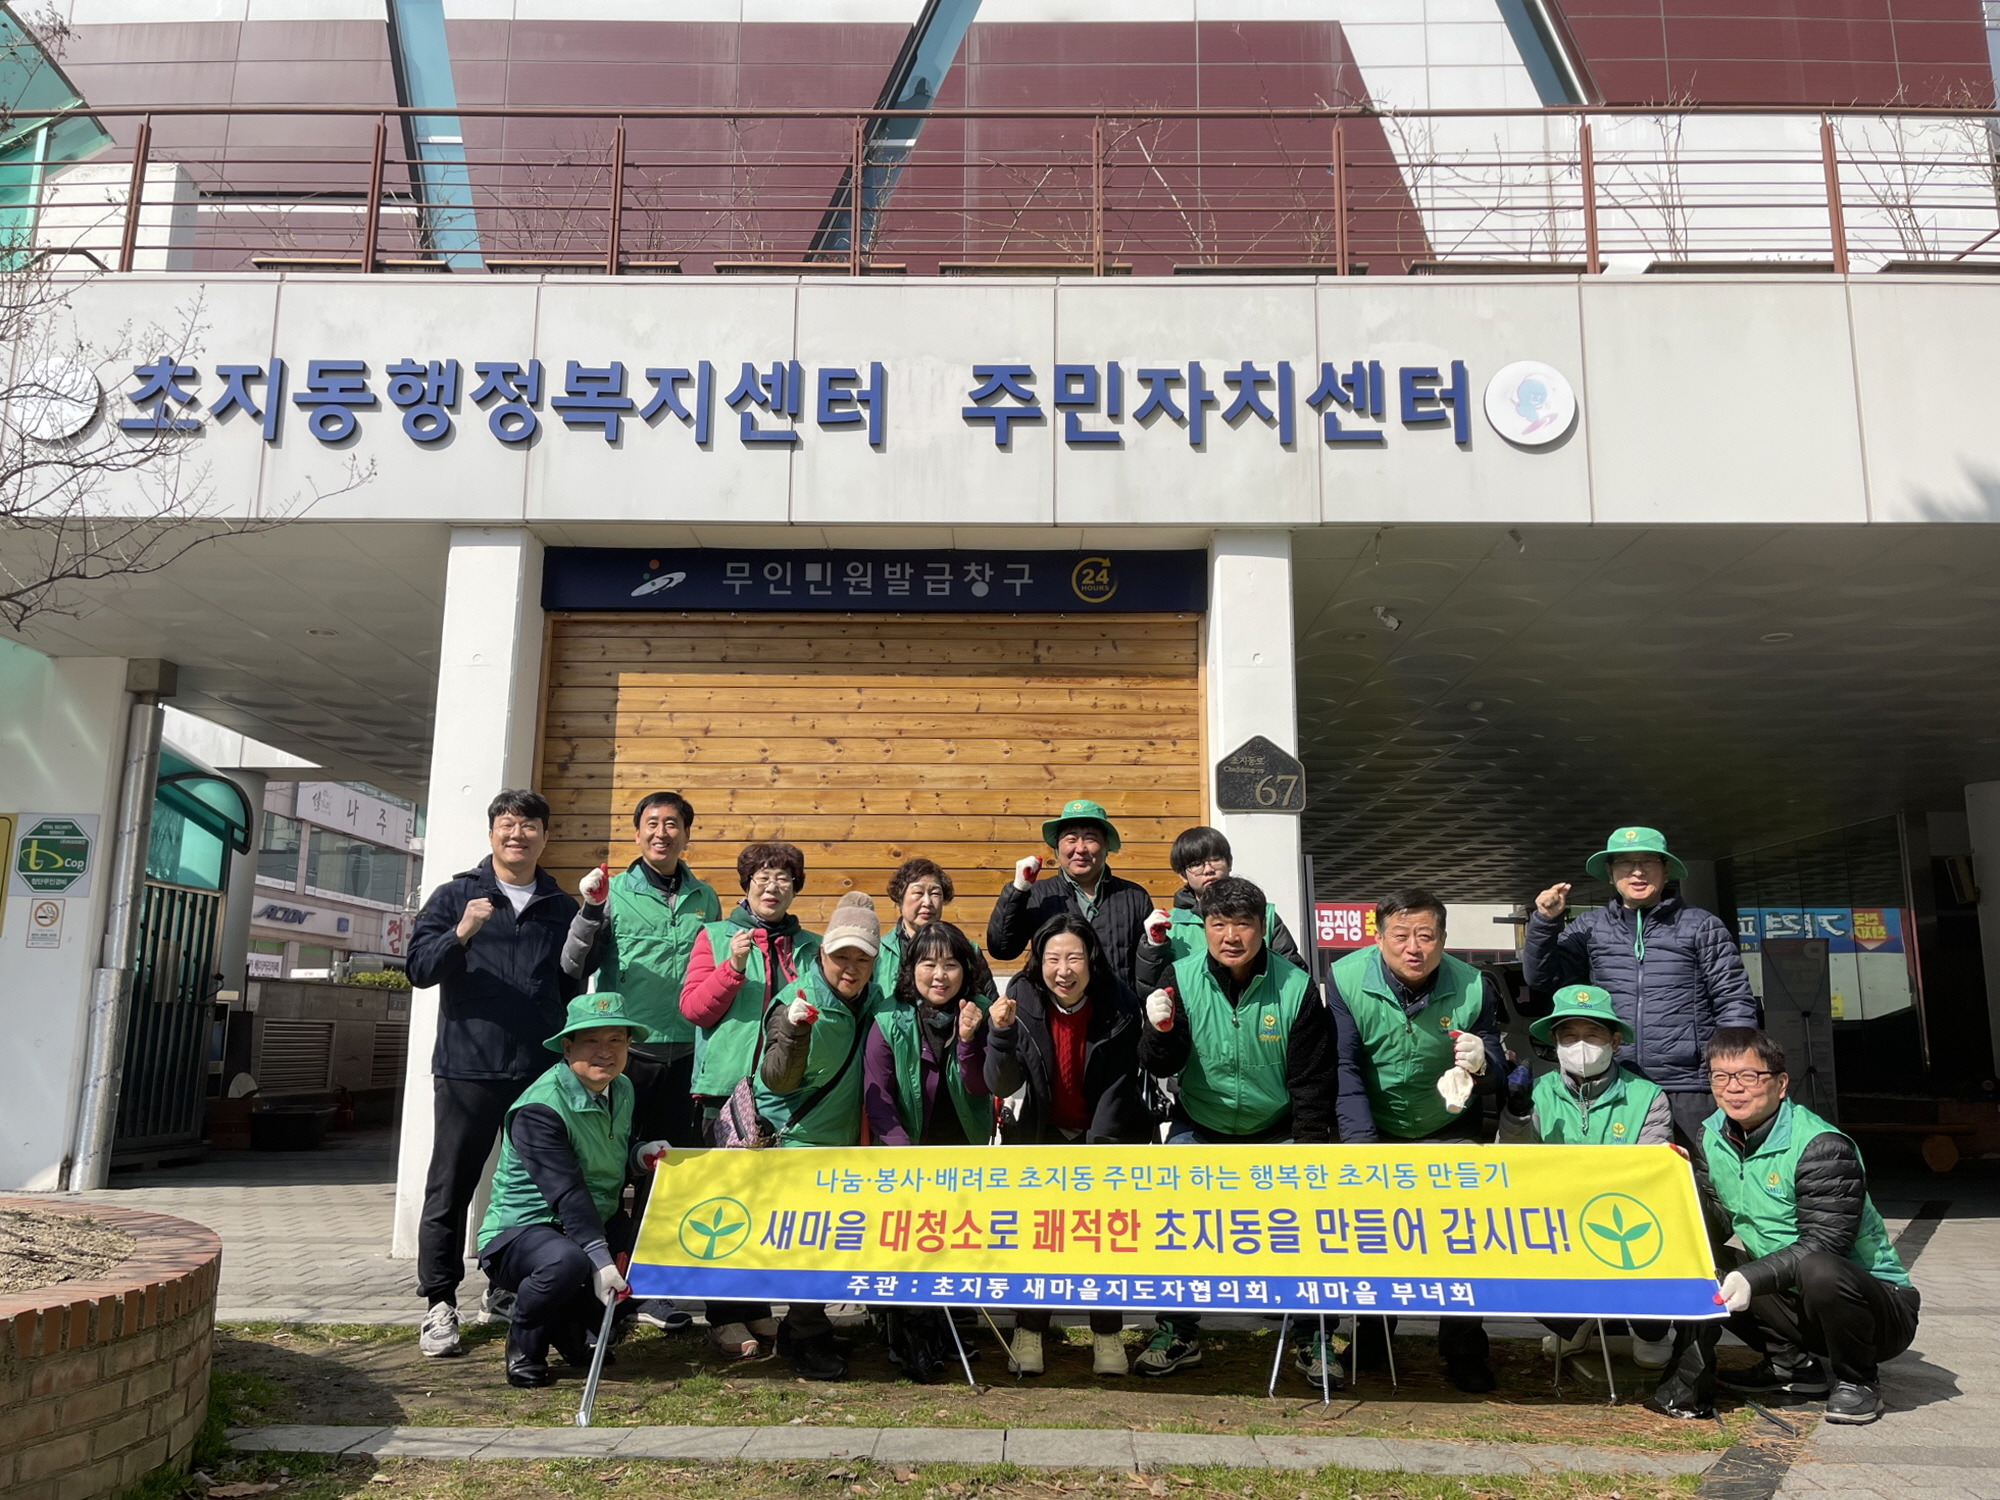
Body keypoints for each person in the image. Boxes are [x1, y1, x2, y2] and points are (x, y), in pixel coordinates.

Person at [1648, 1028, 1919, 1427]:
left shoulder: (1822, 1146)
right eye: (1720, 1077)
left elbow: (1828, 1242)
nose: (1733, 1088)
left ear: (1780, 1083)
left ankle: (1858, 1380)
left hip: (1878, 1310)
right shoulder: (1711, 1136)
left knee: (1819, 1269)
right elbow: (1717, 1221)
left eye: (1748, 1076)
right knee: (1703, 1258)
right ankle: (1792, 1366)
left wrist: (1751, 1277)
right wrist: (1678, 1186)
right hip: (1792, 1299)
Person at [1136, 876, 1336, 1383]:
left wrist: (1311, 1151)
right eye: (1218, 924)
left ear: (1262, 926)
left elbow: (1313, 1081)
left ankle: (1313, 1335)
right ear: (1203, 927)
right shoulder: (1179, 976)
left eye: (1242, 924)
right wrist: (1157, 1031)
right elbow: (1161, 1063)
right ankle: (1178, 1332)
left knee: (1303, 1231)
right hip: (1200, 1123)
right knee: (1177, 1226)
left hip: (1278, 1127)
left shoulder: (1296, 986)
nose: (1230, 936)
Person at [407, 789, 581, 1359]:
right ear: (491, 833)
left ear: (544, 837)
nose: (517, 835)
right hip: (469, 1069)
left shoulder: (560, 905)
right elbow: (419, 969)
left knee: (534, 1190)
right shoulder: (457, 895)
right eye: (507, 824)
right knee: (451, 1186)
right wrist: (461, 930)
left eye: (529, 826)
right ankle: (439, 1302)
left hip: (539, 1072)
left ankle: (506, 1290)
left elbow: (572, 985)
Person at [1326, 890, 1508, 1393]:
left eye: (1426, 936)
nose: (1414, 948)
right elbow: (1343, 1067)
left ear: (1443, 940)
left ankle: (1464, 1348)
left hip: (1447, 1126)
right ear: (1378, 937)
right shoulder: (1344, 978)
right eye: (1401, 935)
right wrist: (1362, 1150)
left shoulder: (1473, 985)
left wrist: (1483, 1062)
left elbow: (1495, 1071)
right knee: (1376, 1236)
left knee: (1460, 1239)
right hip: (1375, 1125)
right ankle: (1373, 1338)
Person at [561, 790, 721, 1333]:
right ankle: (599, 1284)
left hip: (687, 1057)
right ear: (637, 833)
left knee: (664, 1176)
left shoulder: (705, 898)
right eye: (652, 823)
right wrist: (590, 909)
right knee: (610, 1173)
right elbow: (574, 964)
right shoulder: (613, 894)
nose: (662, 833)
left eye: (673, 824)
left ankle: (652, 1289)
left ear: (686, 834)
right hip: (627, 1056)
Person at [986, 914, 1149, 1378]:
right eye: (1052, 958)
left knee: (1103, 1239)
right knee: (1040, 1237)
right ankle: (1029, 1330)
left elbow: (1119, 1087)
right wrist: (1000, 1035)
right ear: (1039, 963)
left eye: (1074, 957)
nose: (1063, 970)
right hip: (1042, 1135)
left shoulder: (1119, 1002)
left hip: (1106, 1135)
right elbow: (1001, 1082)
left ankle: (1107, 1333)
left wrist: (1098, 1157)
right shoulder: (1020, 998)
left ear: (1091, 961)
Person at [1523, 827, 1757, 1150]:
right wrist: (1545, 921)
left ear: (1666, 869)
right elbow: (1542, 979)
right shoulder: (1589, 928)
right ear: (1610, 873)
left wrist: (1732, 1070)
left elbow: (1733, 999)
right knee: (1623, 1177)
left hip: (1690, 1086)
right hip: (1618, 1087)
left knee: (1697, 1177)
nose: (1637, 871)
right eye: (1625, 863)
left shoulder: (1701, 926)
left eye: (1648, 861)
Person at [677, 840, 819, 1360]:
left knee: (766, 1206)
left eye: (783, 877)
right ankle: (723, 1315)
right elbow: (694, 1009)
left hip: (784, 1094)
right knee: (725, 1206)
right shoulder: (716, 936)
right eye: (762, 876)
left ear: (795, 888)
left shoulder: (811, 947)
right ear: (746, 884)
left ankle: (756, 1305)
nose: (772, 886)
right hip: (724, 1092)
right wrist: (732, 966)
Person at [1498, 984, 1676, 1371]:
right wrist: (1515, 1115)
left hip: (1625, 1216)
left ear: (1615, 1041)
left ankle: (1651, 1331)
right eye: (1569, 1036)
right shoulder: (1538, 1093)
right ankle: (1574, 1323)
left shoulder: (1648, 1096)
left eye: (1593, 1035)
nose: (1581, 1045)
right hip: (1556, 1218)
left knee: (1656, 1232)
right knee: (1506, 1244)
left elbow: (1652, 1172)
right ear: (1555, 1043)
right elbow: (1510, 1167)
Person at [475, 992, 647, 1388]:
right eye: (592, 1041)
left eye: (616, 1040)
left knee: (651, 1255)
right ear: (567, 1048)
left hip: (591, 1220)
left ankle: (571, 1332)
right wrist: (601, 1260)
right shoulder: (540, 1109)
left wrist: (641, 1154)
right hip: (523, 1231)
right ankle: (525, 1347)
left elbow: (608, 1150)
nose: (605, 1052)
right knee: (566, 1262)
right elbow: (567, 1192)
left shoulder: (622, 1088)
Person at [756, 891, 890, 1380]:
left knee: (835, 1243)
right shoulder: (797, 1002)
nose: (850, 968)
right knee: (812, 1247)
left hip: (845, 1142)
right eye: (841, 957)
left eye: (862, 959)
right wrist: (795, 1033)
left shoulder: (874, 1001)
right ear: (822, 954)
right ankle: (807, 1337)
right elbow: (776, 1079)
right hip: (799, 1141)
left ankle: (801, 1329)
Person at [987, 797, 1153, 992]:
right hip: (1052, 1007)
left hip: (1117, 1007)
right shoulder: (1039, 894)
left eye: (1090, 839)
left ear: (1106, 846)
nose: (1080, 849)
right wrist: (1017, 891)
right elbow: (1002, 950)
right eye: (1071, 839)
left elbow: (1149, 965)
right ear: (1057, 849)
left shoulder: (1134, 897)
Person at [864, 920, 993, 1148]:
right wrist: (905, 1153)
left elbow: (980, 1087)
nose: (940, 975)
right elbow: (879, 1098)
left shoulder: (981, 1011)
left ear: (965, 969)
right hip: (905, 1150)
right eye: (929, 965)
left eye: (950, 965)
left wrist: (967, 1040)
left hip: (968, 1148)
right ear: (911, 968)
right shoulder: (887, 1018)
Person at [1134, 825, 1306, 992]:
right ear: (1182, 874)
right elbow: (1151, 988)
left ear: (1229, 863)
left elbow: (1294, 975)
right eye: (1196, 864)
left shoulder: (1263, 914)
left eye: (1216, 860)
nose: (1208, 870)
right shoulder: (1169, 926)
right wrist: (1153, 947)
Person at [875, 858, 998, 1001]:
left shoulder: (967, 949)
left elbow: (989, 1004)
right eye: (918, 893)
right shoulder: (877, 953)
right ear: (899, 901)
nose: (927, 902)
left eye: (935, 894)